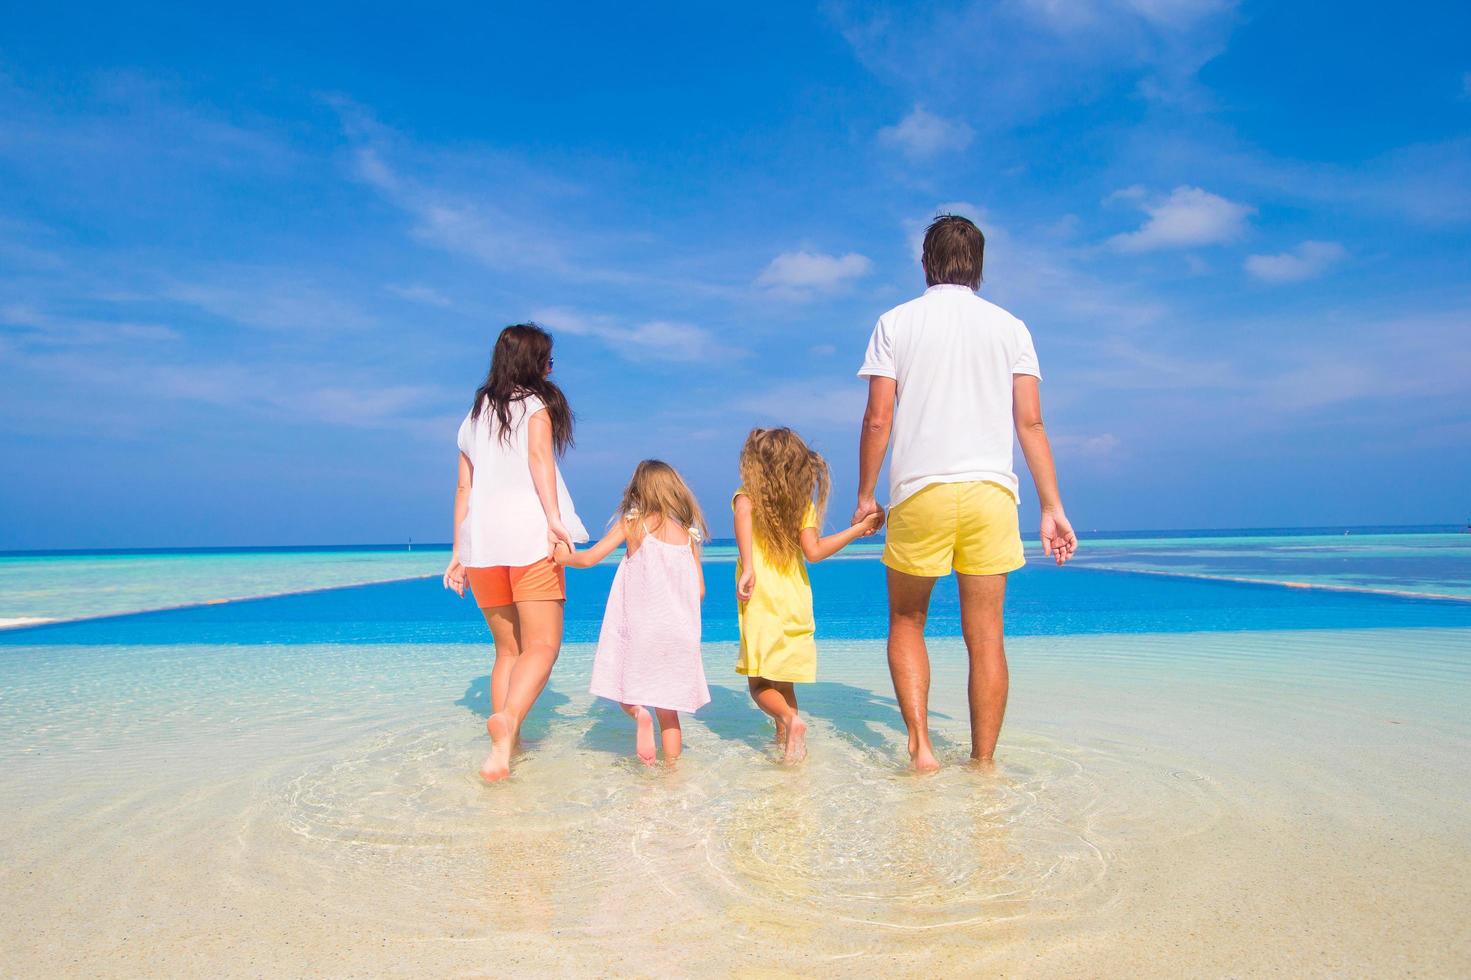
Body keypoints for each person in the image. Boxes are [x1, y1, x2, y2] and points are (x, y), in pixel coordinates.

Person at [853, 214, 1077, 772]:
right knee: (986, 637)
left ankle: (923, 749)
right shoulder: (1012, 327)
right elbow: (1031, 424)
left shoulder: (895, 322)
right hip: (989, 493)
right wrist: (1052, 506)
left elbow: (879, 419)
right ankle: (982, 764)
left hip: (920, 490)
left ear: (926, 263)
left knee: (907, 621)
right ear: (978, 266)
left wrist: (865, 495)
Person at [442, 323, 589, 782]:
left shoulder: (472, 417)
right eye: (547, 356)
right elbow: (539, 462)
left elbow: (464, 488)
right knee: (543, 646)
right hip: (529, 538)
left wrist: (457, 552)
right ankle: (507, 723)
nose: (552, 365)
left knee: (508, 651)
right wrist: (553, 519)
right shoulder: (535, 407)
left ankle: (507, 746)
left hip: (482, 543)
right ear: (532, 361)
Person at [734, 427, 882, 762]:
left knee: (759, 684)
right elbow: (813, 552)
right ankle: (789, 745)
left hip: (762, 600)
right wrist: (859, 529)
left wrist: (748, 566)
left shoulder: (747, 496)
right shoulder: (801, 506)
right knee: (785, 682)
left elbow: (743, 516)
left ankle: (789, 721)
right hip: (795, 600)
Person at [553, 460, 709, 765]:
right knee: (669, 710)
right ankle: (672, 774)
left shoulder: (634, 523)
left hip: (644, 629)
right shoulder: (688, 536)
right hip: (679, 634)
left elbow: (589, 559)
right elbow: (699, 591)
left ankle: (639, 716)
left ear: (638, 490)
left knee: (626, 688)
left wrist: (563, 557)